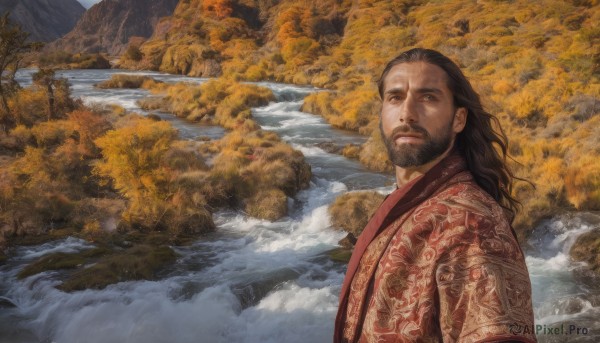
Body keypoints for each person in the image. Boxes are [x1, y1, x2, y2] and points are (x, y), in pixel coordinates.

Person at [334, 48, 536, 343]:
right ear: (382, 112)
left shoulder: (470, 225)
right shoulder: (410, 204)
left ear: (458, 119)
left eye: (428, 97)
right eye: (395, 97)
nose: (407, 114)